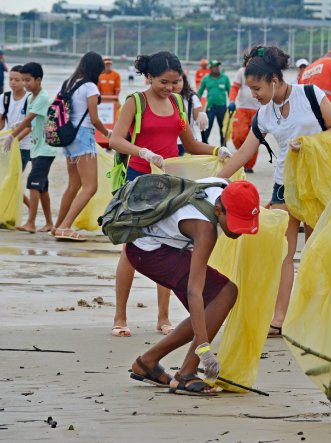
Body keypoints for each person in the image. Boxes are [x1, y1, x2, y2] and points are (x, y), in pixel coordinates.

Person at [218, 45, 331, 338]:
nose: (254, 94)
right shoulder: (264, 115)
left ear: (274, 79)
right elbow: (244, 152)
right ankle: (279, 317)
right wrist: (213, 179)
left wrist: (309, 142)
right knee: (283, 253)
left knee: (314, 252)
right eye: (250, 89)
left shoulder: (311, 95)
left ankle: (314, 315)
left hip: (316, 183)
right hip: (284, 184)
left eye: (257, 88)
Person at [109, 51, 231, 338]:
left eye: (175, 82)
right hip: (140, 183)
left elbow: (189, 143)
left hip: (171, 183)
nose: (170, 87)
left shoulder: (177, 103)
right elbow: (115, 139)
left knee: (167, 246)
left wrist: (216, 150)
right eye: (164, 82)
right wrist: (142, 151)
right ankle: (120, 316)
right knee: (132, 249)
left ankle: (163, 317)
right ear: (149, 77)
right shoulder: (134, 102)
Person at [127, 178, 261, 395]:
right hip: (148, 252)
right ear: (218, 210)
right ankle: (186, 375)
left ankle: (148, 362)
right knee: (224, 294)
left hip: (160, 244)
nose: (239, 232)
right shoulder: (205, 229)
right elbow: (194, 292)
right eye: (235, 223)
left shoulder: (222, 187)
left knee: (215, 304)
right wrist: (205, 351)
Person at [52, 52, 111, 242]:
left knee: (73, 185)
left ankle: (58, 226)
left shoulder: (68, 83)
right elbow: (94, 119)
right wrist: (109, 134)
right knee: (90, 186)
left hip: (68, 137)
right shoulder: (90, 87)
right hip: (83, 136)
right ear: (96, 69)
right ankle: (66, 226)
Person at [5, 63, 55, 234]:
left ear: (39, 80)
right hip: (37, 148)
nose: (25, 84)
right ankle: (49, 223)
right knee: (43, 188)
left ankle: (31, 223)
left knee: (33, 184)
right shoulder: (30, 98)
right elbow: (29, 122)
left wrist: (12, 137)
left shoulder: (42, 97)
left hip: (46, 148)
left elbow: (27, 120)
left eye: (28, 80)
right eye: (23, 80)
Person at [228, 60, 261, 173]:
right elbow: (234, 88)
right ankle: (242, 154)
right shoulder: (242, 71)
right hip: (242, 108)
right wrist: (232, 100)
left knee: (254, 139)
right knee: (238, 135)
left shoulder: (263, 72)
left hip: (258, 110)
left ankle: (248, 165)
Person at [0, 65, 32, 173]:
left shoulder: (30, 98)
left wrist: (14, 140)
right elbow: (1, 124)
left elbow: (30, 126)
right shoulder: (4, 97)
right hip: (9, 144)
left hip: (25, 146)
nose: (12, 82)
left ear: (24, 81)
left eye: (17, 80)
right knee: (6, 175)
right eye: (10, 79)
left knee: (15, 175)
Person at [198, 60, 231, 144]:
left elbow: (230, 92)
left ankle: (223, 146)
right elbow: (199, 93)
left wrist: (232, 103)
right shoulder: (205, 79)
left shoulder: (225, 78)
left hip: (222, 107)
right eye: (215, 67)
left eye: (218, 66)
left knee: (223, 128)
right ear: (211, 68)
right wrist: (195, 105)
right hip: (210, 107)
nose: (217, 68)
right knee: (206, 127)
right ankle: (204, 145)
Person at [174, 72, 207, 154]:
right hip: (170, 142)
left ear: (184, 81)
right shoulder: (164, 98)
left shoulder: (192, 98)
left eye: (180, 81)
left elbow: (197, 118)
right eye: (175, 82)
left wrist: (202, 116)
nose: (178, 85)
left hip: (188, 141)